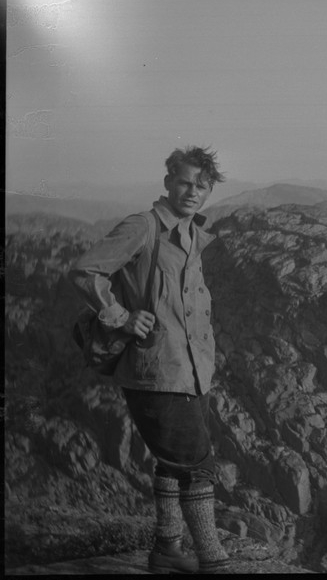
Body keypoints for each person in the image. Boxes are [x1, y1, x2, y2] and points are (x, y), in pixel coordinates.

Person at [70, 145, 228, 574]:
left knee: (174, 464)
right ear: (168, 181)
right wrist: (121, 316)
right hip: (156, 370)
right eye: (184, 182)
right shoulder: (143, 226)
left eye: (201, 186)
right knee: (197, 465)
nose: (192, 192)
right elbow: (85, 271)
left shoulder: (192, 232)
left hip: (192, 371)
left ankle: (167, 550)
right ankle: (213, 560)